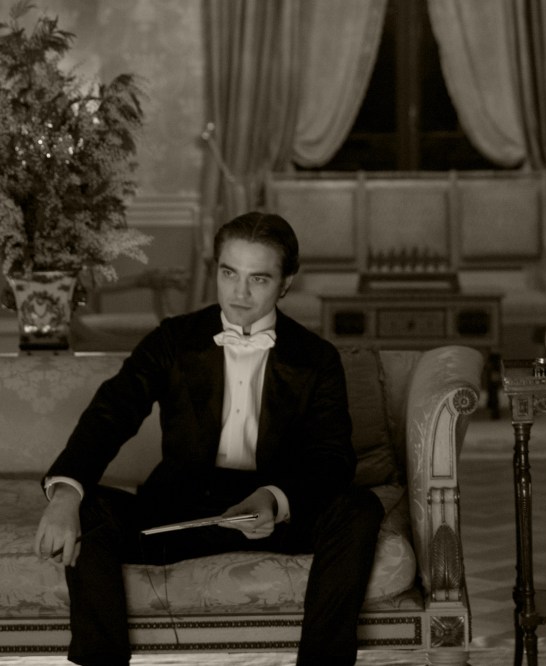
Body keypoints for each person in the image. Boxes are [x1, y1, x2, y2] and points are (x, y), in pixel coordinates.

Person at [33, 211, 383, 666]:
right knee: (86, 504)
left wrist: (274, 499)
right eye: (229, 273)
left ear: (286, 283)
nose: (240, 293)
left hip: (271, 515)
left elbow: (332, 458)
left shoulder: (317, 358)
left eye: (259, 278)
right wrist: (65, 495)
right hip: (182, 508)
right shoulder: (173, 339)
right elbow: (110, 415)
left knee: (359, 507)